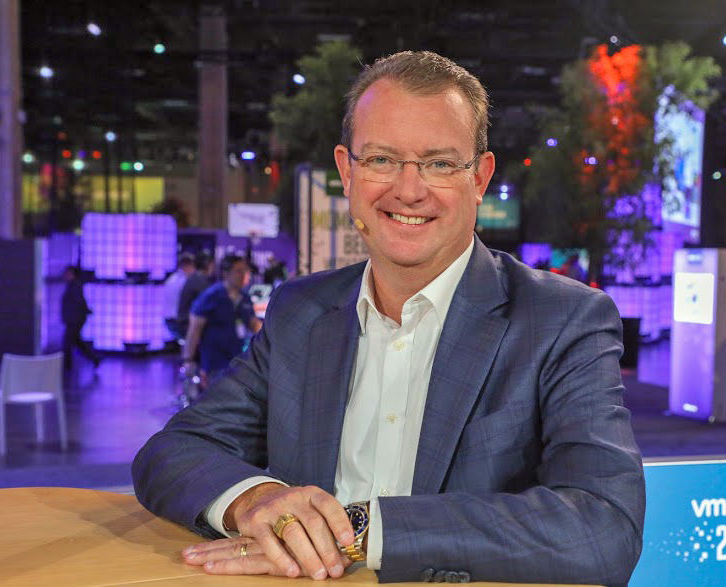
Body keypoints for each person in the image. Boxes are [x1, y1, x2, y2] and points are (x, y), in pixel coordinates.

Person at [133, 51, 645, 586]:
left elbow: (604, 526)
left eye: (439, 163)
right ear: (346, 171)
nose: (408, 189)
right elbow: (173, 451)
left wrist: (361, 531)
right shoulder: (302, 312)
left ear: (479, 177)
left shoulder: (562, 320)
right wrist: (256, 500)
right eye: (381, 159)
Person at [180, 254, 262, 384]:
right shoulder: (211, 297)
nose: (244, 275)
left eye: (245, 271)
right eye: (239, 271)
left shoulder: (245, 298)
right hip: (215, 364)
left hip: (238, 362)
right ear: (226, 273)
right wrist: (188, 360)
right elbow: (194, 330)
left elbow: (253, 324)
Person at [61, 265, 100, 371]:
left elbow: (80, 301)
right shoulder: (72, 285)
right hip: (73, 319)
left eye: (68, 273)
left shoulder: (75, 286)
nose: (65, 275)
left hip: (75, 319)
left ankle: (66, 366)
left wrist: (86, 310)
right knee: (78, 342)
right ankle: (94, 359)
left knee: (67, 343)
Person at [177, 252, 215, 336]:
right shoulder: (200, 282)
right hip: (188, 324)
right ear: (207, 265)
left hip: (186, 321)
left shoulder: (195, 278)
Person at [163, 253, 196, 341]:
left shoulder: (171, 279)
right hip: (179, 322)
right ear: (187, 266)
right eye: (193, 266)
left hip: (168, 321)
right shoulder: (185, 281)